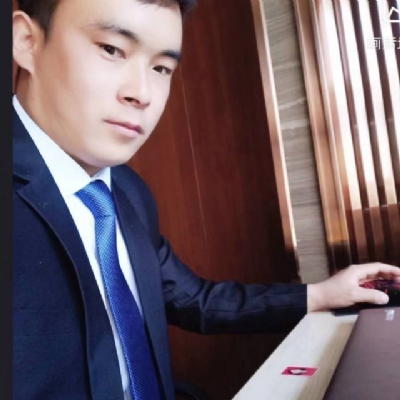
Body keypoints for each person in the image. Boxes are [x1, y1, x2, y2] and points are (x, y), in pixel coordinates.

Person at [12, 0, 400, 399]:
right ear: (27, 41)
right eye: (112, 49)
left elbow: (192, 299)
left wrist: (322, 294)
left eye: (161, 68)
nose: (142, 94)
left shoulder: (127, 190)